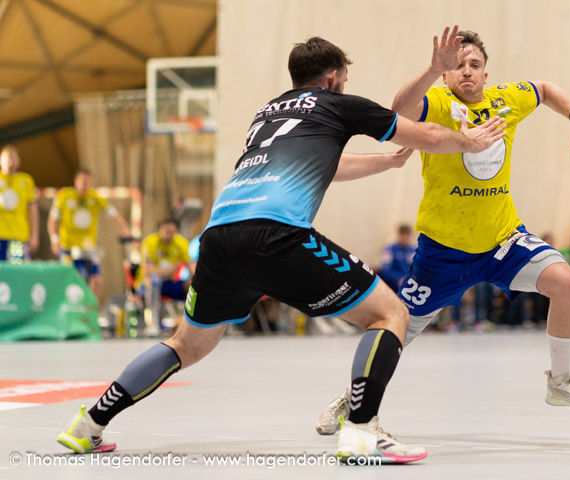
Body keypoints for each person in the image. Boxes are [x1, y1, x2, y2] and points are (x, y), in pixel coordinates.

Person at [56, 34, 506, 464]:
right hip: (276, 233)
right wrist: (474, 141)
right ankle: (362, 431)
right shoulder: (338, 104)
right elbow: (426, 135)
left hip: (219, 237)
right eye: (344, 78)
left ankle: (89, 423)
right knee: (390, 315)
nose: (344, 84)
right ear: (332, 77)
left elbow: (326, 165)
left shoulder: (267, 114)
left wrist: (385, 165)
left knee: (185, 345)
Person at [316, 26, 570, 435]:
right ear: (446, 75)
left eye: (474, 64)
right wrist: (431, 69)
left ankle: (560, 381)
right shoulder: (439, 103)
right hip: (443, 254)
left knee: (566, 284)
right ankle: (349, 400)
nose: (467, 71)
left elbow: (546, 89)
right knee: (396, 328)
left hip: (502, 242)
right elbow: (399, 109)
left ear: (486, 74)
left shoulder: (504, 101)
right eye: (457, 66)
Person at [48, 168, 132, 299]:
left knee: (97, 280)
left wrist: (125, 230)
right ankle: (65, 305)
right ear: (75, 181)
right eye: (82, 181)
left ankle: (92, 308)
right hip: (67, 247)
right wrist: (54, 239)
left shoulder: (96, 198)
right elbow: (53, 220)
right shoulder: (64, 196)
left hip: (89, 248)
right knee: (68, 278)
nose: (85, 185)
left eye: (88, 182)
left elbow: (114, 215)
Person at [135, 219, 192, 335]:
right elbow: (147, 271)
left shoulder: (181, 243)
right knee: (154, 280)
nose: (169, 234)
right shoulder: (150, 242)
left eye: (172, 232)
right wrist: (170, 269)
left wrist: (195, 279)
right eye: (166, 231)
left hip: (170, 282)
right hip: (148, 284)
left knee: (193, 285)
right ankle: (153, 324)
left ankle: (190, 324)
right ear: (159, 230)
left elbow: (191, 265)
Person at [0, 145, 38, 262]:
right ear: (1, 160)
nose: (10, 162)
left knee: (18, 270)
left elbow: (33, 211)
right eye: (7, 158)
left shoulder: (26, 180)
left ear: (19, 161)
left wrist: (35, 236)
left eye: (13, 158)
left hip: (19, 237)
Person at [377, 224, 415, 292]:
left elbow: (416, 270)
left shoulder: (414, 251)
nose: (404, 238)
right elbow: (385, 270)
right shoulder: (389, 250)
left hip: (409, 287)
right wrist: (399, 279)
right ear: (398, 235)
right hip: (393, 288)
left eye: (407, 235)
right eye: (402, 234)